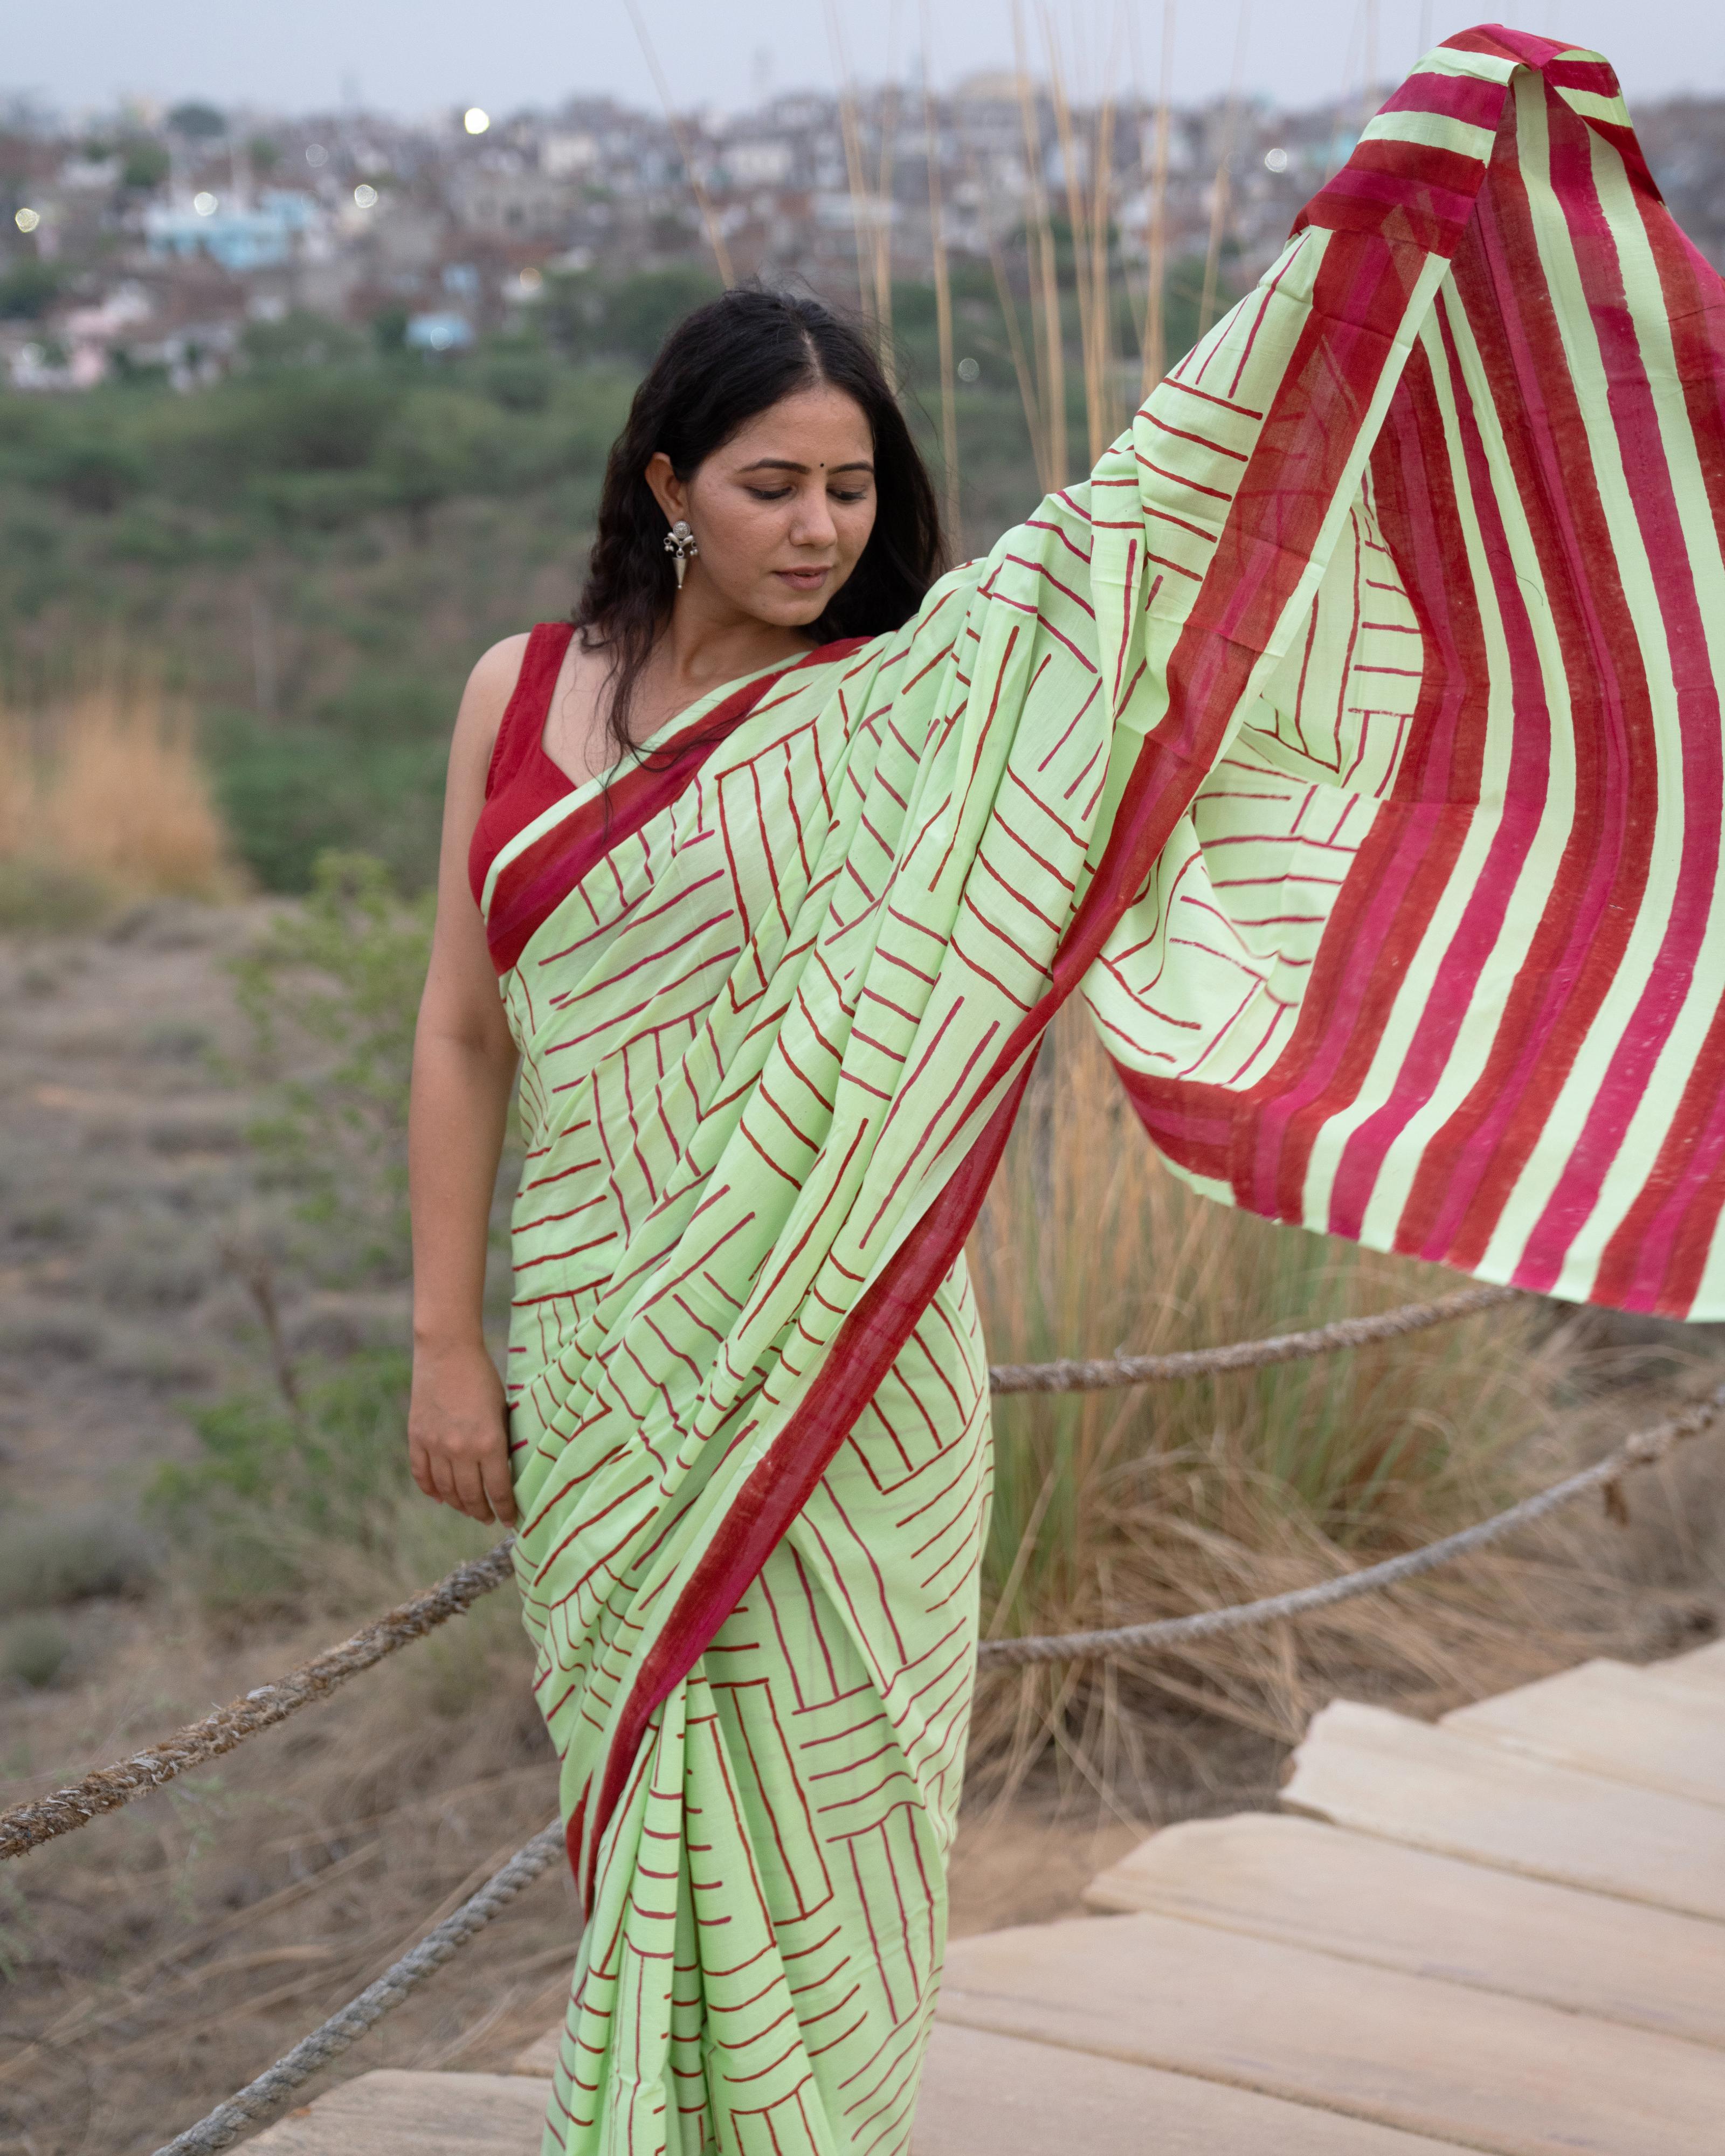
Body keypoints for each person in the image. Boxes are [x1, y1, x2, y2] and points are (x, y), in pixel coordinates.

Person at [408, 30, 1725, 2155]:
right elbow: (462, 1035)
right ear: (660, 486)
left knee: (828, 1844)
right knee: (640, 1795)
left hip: (849, 1348)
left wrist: (1397, 214)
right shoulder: (515, 696)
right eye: (769, 484)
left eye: (850, 487)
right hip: (598, 1341)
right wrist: (447, 1340)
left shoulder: (920, 711)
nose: (819, 526)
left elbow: (1157, 531)